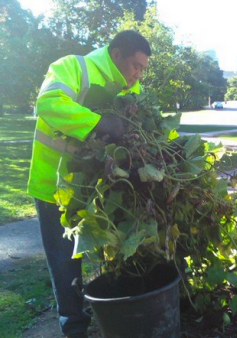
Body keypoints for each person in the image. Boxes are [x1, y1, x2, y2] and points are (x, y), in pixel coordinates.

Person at [27, 30, 151, 338]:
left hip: (99, 193)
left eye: (143, 70)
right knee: (64, 262)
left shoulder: (131, 91)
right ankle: (75, 330)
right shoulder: (73, 67)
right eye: (135, 65)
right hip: (55, 188)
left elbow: (149, 130)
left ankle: (113, 315)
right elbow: (48, 103)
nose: (137, 75)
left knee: (114, 251)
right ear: (117, 54)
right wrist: (96, 123)